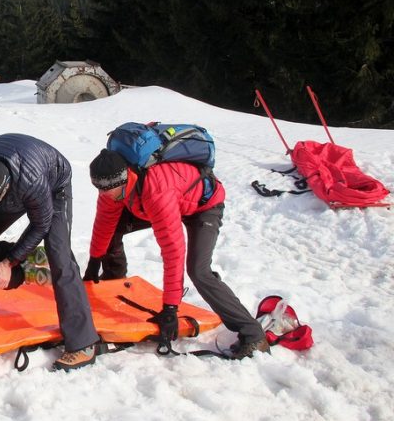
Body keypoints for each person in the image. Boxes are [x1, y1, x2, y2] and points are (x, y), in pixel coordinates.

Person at [84, 148, 270, 359]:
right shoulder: (112, 186)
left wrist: (170, 308)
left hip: (203, 207)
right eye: (98, 189)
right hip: (166, 199)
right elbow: (104, 223)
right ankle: (113, 282)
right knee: (113, 227)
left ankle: (253, 335)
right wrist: (94, 260)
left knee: (199, 271)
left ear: (123, 181)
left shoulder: (156, 192)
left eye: (107, 191)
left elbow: (173, 251)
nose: (103, 195)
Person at [0, 134, 100, 371]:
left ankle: (83, 343)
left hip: (52, 183)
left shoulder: (31, 181)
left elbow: (41, 224)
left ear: (4, 190)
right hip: (3, 182)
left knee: (60, 256)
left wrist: (9, 261)